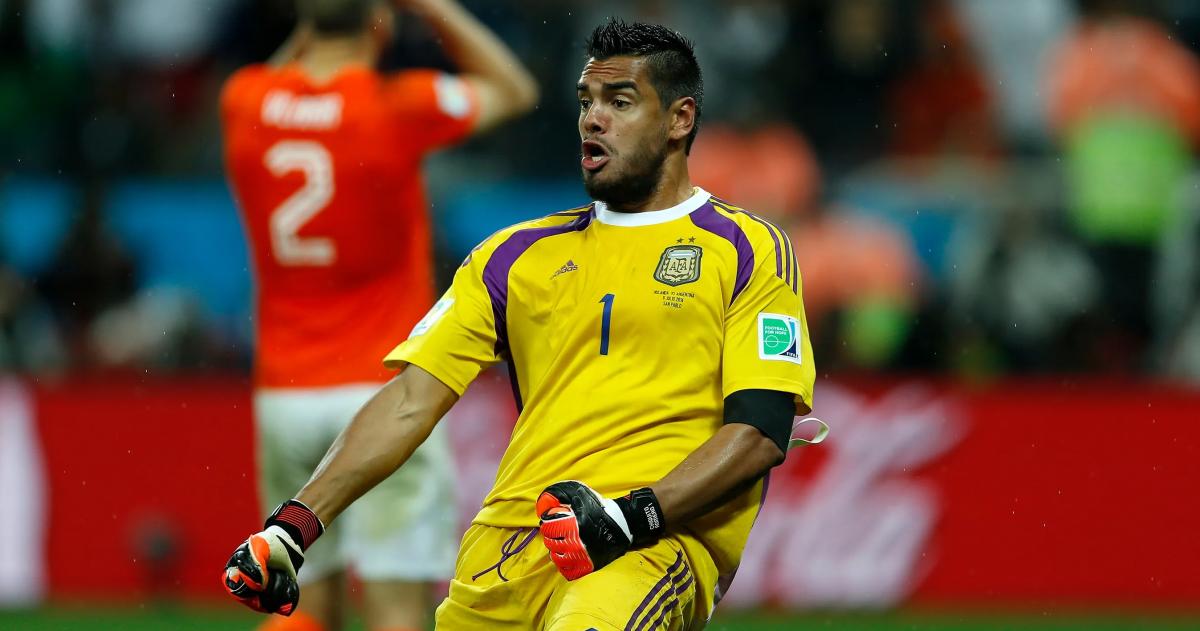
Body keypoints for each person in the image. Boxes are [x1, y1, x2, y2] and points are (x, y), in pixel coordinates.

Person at [224, 18, 820, 630]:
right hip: (501, 556)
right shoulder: (513, 256)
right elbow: (409, 399)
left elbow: (759, 433)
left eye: (620, 102)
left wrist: (628, 517)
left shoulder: (746, 248)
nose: (593, 119)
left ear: (680, 120)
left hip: (645, 547)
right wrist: (295, 526)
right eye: (587, 102)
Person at [219, 0, 538, 629]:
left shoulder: (245, 99)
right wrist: (435, 8)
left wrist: (315, 25)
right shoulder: (396, 105)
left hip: (284, 394)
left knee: (302, 604)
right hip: (385, 399)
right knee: (396, 607)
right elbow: (514, 89)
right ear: (382, 25)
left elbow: (294, 67)